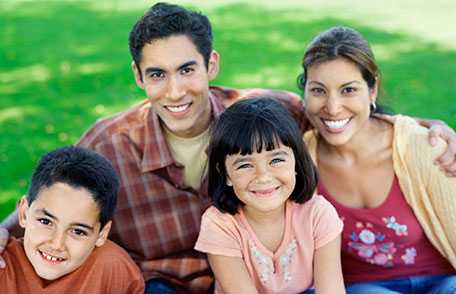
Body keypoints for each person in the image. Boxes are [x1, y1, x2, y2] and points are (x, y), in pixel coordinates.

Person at [1, 3, 456, 293]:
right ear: (139, 78)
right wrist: (5, 229)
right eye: (157, 75)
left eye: (187, 70)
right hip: (165, 287)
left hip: (264, 281)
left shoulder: (261, 116)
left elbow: (335, 110)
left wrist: (422, 127)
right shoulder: (110, 141)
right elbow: (55, 197)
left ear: (211, 64)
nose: (175, 91)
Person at [300, 26, 456, 293]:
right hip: (364, 288)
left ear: (372, 90)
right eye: (318, 90)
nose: (333, 107)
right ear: (304, 93)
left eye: (348, 90)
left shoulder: (422, 146)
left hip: (444, 281)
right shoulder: (300, 160)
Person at [195, 97, 345, 294]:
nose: (263, 177)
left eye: (276, 160)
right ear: (225, 175)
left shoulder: (318, 214)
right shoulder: (220, 225)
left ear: (296, 163)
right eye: (245, 165)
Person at [0, 146, 145, 293]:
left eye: (78, 231)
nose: (57, 244)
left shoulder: (113, 271)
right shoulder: (4, 267)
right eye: (46, 222)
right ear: (24, 213)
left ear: (102, 234)